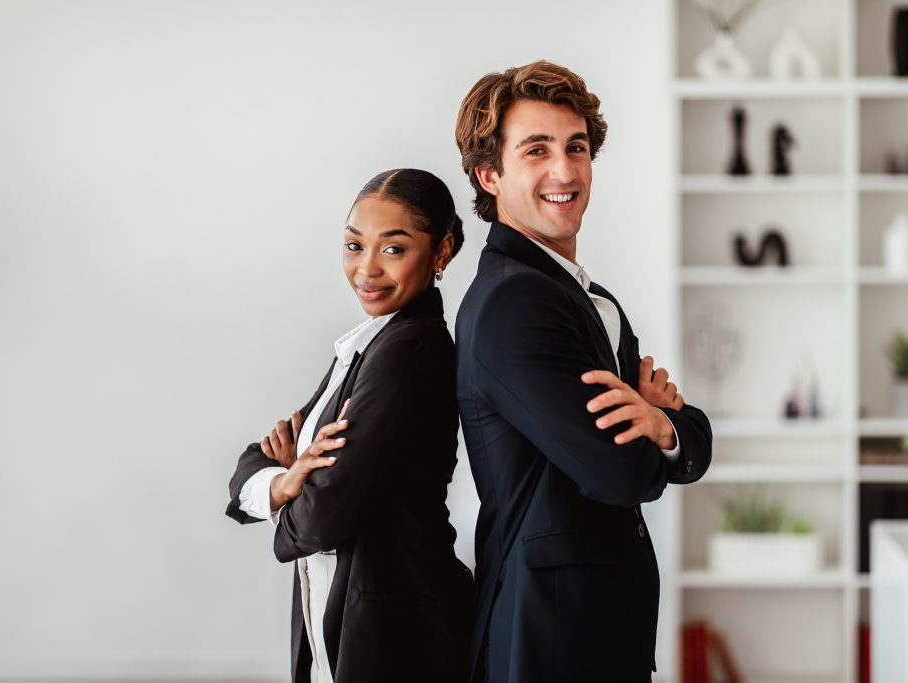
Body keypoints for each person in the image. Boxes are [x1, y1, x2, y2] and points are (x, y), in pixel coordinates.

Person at [453, 61, 712, 682]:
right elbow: (619, 471)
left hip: (593, 629)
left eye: (576, 148)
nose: (565, 171)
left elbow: (687, 440)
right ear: (491, 175)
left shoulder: (582, 296)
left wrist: (666, 424)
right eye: (536, 150)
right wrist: (661, 425)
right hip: (547, 636)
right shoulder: (515, 303)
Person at [225, 168, 474, 683]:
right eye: (354, 246)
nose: (367, 269)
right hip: (349, 630)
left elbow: (321, 521)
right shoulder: (368, 345)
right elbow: (262, 454)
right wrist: (282, 481)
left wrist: (286, 493)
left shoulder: (412, 350)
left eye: (393, 249)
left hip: (399, 636)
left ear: (442, 251)